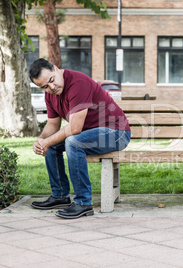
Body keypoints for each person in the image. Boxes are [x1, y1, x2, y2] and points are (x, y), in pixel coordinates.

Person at [29, 59, 131, 219]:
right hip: (91, 133)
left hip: (117, 133)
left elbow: (75, 128)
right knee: (52, 145)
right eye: (45, 87)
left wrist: (47, 141)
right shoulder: (50, 95)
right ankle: (60, 195)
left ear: (56, 69)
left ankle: (83, 203)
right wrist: (41, 140)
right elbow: (52, 124)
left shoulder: (77, 83)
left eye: (51, 80)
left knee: (73, 142)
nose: (51, 87)